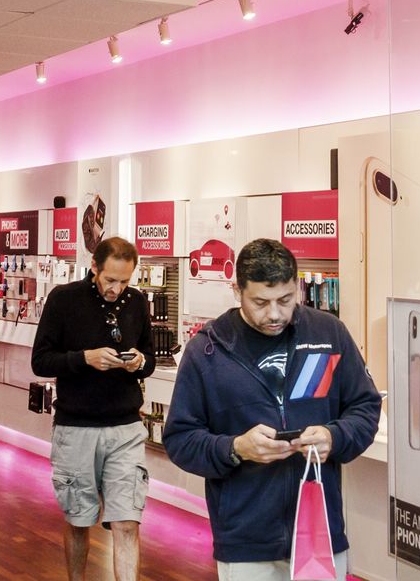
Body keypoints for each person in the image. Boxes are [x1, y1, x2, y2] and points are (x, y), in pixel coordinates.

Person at [164, 239, 381, 580]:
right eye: (261, 303)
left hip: (321, 532)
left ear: (297, 286)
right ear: (237, 291)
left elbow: (365, 406)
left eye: (285, 299)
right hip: (245, 541)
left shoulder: (329, 333)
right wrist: (236, 449)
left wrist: (334, 436)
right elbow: (180, 439)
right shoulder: (206, 350)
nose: (275, 313)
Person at [32, 237, 156, 581]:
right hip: (76, 429)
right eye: (110, 280)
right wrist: (84, 359)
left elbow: (149, 358)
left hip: (126, 428)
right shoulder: (63, 299)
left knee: (128, 522)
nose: (117, 288)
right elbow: (41, 360)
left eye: (125, 281)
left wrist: (140, 363)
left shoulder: (137, 302)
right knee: (78, 521)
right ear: (94, 268)